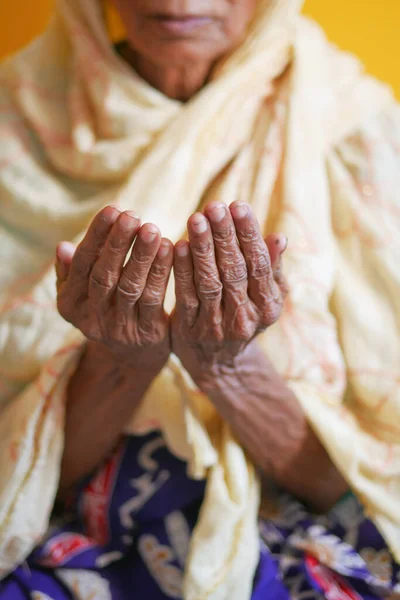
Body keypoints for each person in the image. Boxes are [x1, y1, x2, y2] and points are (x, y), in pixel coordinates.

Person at [0, 0, 399, 598]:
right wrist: (119, 361)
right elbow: (23, 489)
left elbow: (360, 489)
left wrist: (228, 366)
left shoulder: (353, 125)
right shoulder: (15, 117)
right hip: (77, 527)